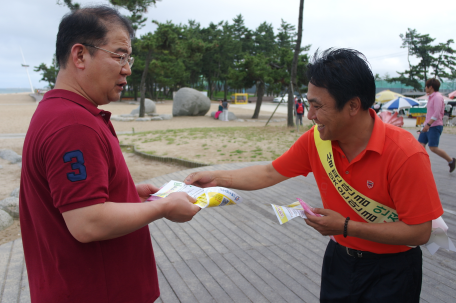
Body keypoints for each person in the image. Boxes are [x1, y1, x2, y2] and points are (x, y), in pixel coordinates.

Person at [184, 48, 443, 303]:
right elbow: (269, 172)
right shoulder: (316, 141)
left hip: (393, 271)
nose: (309, 116)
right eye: (309, 105)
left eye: (317, 107)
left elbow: (419, 232)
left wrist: (345, 227)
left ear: (353, 105)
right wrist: (217, 178)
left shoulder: (405, 154)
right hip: (339, 260)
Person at [19, 6, 200, 303]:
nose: (127, 68)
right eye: (119, 55)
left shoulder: (57, 112)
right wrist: (163, 209)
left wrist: (128, 193)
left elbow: (76, 201)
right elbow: (87, 222)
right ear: (80, 55)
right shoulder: (73, 124)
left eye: (129, 58)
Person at [418, 78, 456, 172]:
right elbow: (429, 113)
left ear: (430, 87)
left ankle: (451, 161)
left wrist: (428, 125)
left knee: (433, 148)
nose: (425, 88)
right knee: (420, 146)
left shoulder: (437, 97)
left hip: (434, 126)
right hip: (427, 125)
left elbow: (437, 113)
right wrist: (423, 126)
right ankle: (421, 165)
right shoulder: (430, 97)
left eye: (426, 86)